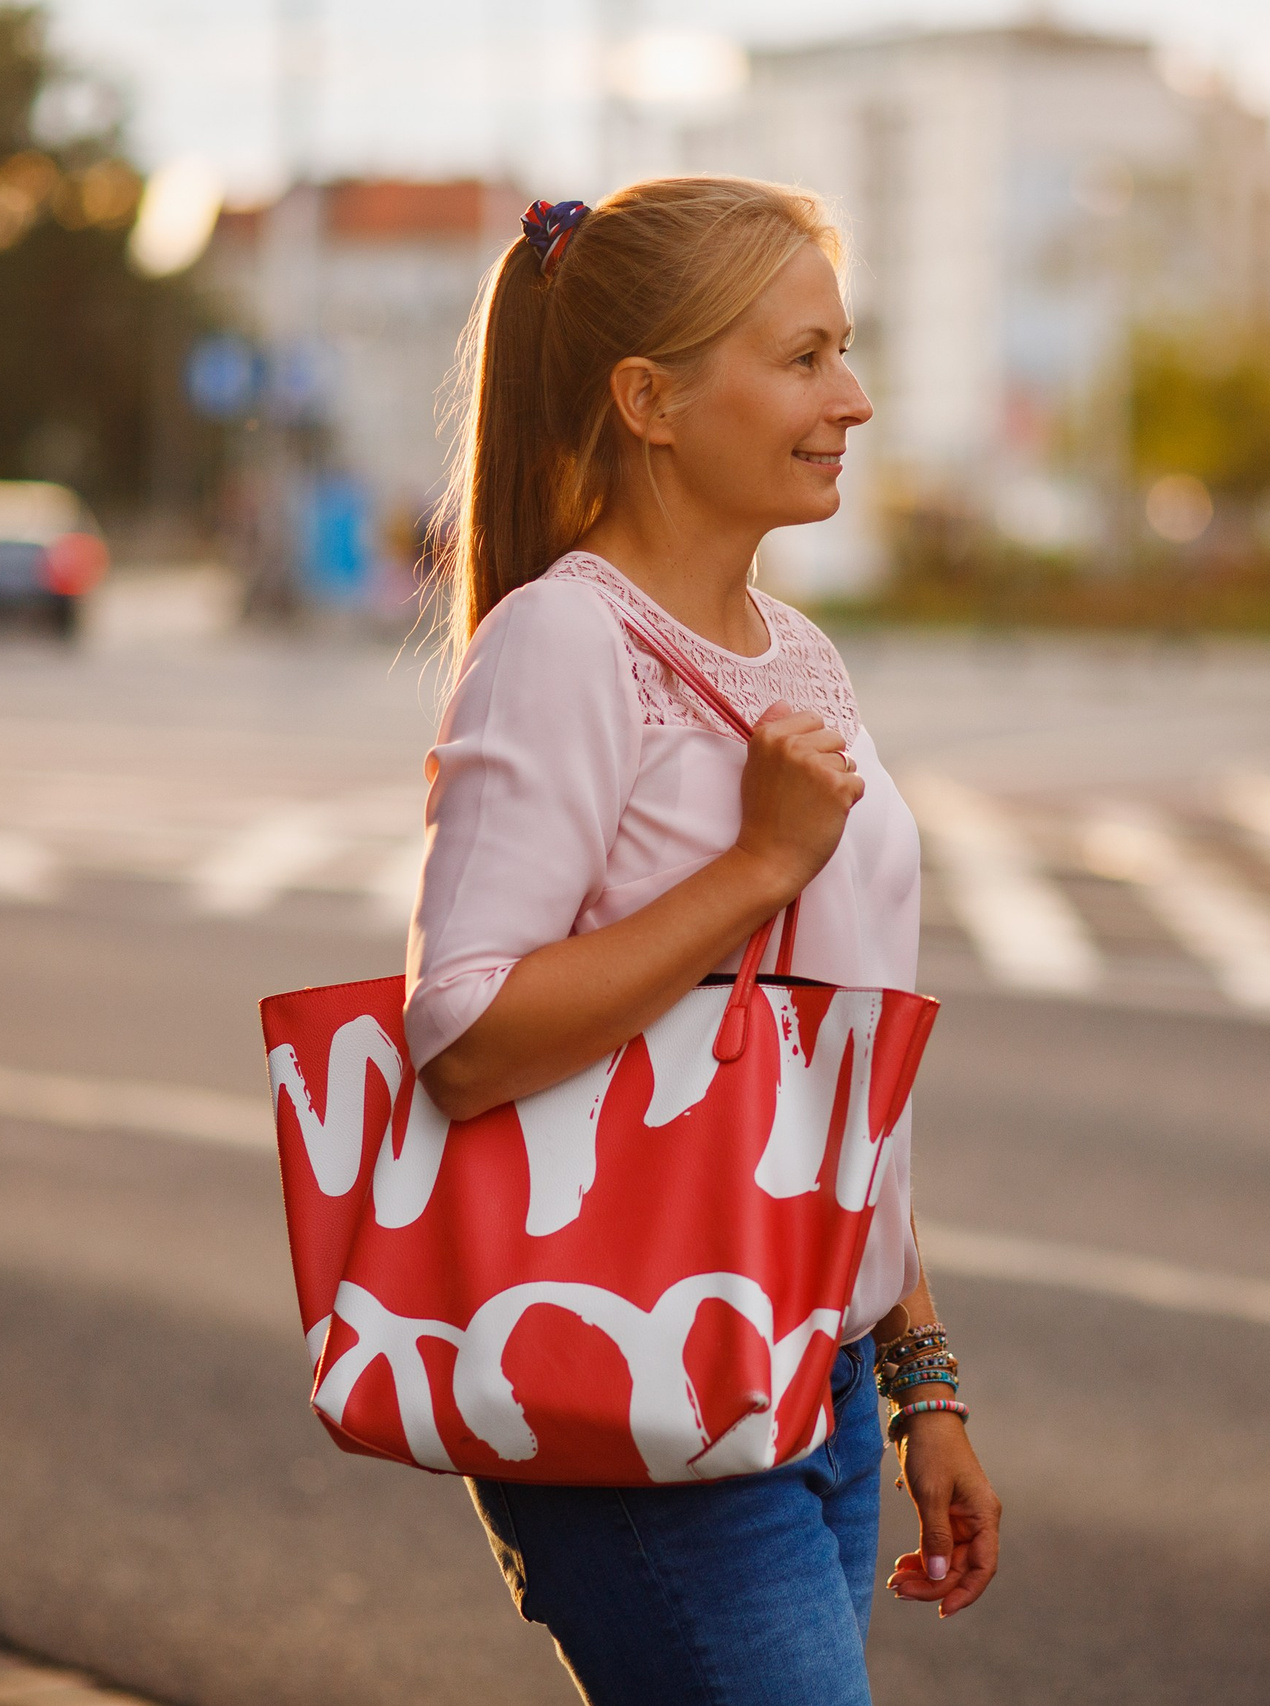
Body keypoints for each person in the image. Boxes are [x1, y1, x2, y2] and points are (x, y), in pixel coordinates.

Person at [403, 177, 1003, 1705]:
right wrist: (758, 865)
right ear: (648, 400)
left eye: (845, 352)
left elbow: (837, 1067)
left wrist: (919, 1377)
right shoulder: (563, 641)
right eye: (804, 358)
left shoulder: (800, 654)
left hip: (813, 1380)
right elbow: (461, 1035)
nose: (853, 399)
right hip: (635, 1377)